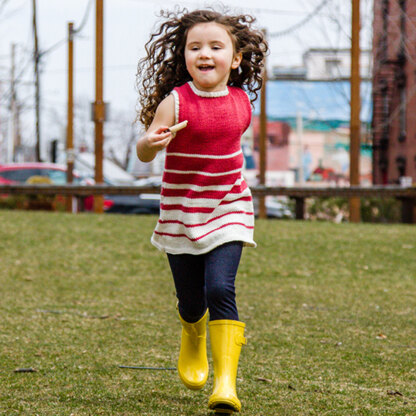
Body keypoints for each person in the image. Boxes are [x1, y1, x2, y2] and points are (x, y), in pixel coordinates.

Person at [136, 8, 267, 414]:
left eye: (215, 46)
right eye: (195, 47)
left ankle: (225, 384)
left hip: (230, 208)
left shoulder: (241, 101)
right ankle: (192, 335)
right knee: (192, 301)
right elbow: (143, 150)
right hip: (182, 214)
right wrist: (151, 143)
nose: (204, 54)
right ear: (185, 56)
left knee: (220, 289)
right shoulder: (174, 103)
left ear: (237, 57)